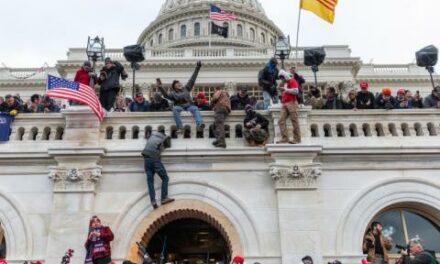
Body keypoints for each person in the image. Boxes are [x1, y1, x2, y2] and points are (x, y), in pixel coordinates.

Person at [157, 62, 205, 133]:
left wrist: (197, 68)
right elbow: (166, 96)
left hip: (189, 105)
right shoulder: (173, 93)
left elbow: (192, 79)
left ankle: (200, 124)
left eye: (179, 83)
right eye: (177, 84)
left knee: (195, 108)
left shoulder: (186, 88)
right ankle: (180, 127)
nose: (179, 84)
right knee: (175, 109)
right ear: (174, 87)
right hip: (180, 106)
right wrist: (161, 87)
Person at [141, 130, 174, 209]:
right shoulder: (165, 138)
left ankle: (153, 201)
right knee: (165, 178)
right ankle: (164, 198)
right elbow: (168, 145)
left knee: (150, 182)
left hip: (146, 159)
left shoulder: (152, 136)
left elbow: (146, 137)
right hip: (154, 159)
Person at [277, 70, 301, 144]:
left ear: (285, 76)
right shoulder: (286, 83)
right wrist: (282, 84)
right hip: (285, 104)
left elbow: (296, 91)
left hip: (292, 102)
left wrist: (286, 89)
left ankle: (297, 139)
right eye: (280, 78)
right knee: (281, 120)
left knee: (294, 120)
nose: (281, 79)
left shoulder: (292, 81)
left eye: (282, 78)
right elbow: (278, 88)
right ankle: (285, 138)